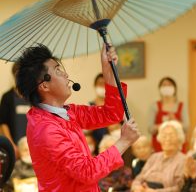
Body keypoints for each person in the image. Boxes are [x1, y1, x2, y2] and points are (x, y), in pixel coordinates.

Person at [15, 44, 140, 192]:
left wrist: (108, 71)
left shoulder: (67, 112)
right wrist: (124, 141)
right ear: (44, 86)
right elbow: (87, 172)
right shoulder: (45, 129)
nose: (66, 75)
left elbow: (111, 114)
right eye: (58, 70)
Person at [131, 120, 186, 191]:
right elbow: (138, 179)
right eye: (164, 135)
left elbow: (179, 188)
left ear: (179, 138)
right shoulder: (154, 157)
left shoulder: (183, 160)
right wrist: (137, 187)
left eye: (171, 135)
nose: (167, 139)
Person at [148, 77, 189, 152]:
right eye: (164, 85)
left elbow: (186, 127)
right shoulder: (154, 106)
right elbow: (150, 128)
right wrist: (164, 125)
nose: (167, 87)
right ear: (160, 89)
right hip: (159, 145)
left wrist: (175, 121)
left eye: (169, 85)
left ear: (174, 88)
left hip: (178, 146)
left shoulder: (181, 105)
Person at [0, 63, 30, 158]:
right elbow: (3, 123)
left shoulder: (33, 98)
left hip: (31, 147)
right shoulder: (7, 97)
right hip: (15, 148)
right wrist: (11, 145)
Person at [89, 73, 109, 153]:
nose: (102, 87)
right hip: (96, 150)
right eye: (100, 84)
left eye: (105, 84)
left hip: (114, 147)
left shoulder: (115, 107)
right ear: (95, 85)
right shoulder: (89, 107)